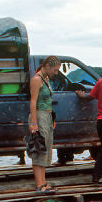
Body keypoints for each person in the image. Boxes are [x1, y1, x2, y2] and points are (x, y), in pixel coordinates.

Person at [28, 55, 61, 194]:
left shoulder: (46, 79)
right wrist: (34, 122)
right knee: (39, 148)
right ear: (47, 66)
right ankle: (39, 184)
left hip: (47, 115)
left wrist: (51, 118)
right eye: (55, 70)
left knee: (46, 148)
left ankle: (44, 182)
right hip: (39, 115)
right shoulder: (36, 79)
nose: (56, 73)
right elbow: (33, 102)